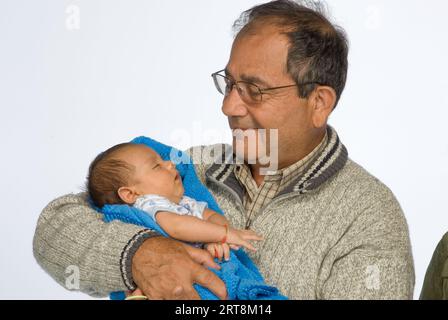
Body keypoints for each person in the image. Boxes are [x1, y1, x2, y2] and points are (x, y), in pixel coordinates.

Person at [33, 0, 415, 299]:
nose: (229, 107)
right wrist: (138, 253)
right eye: (230, 84)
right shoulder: (189, 166)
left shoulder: (370, 216)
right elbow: (56, 227)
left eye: (255, 90)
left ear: (318, 102)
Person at [87, 142, 263, 261]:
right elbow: (177, 226)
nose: (171, 163)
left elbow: (213, 216)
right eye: (157, 166)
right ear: (130, 194)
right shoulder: (147, 204)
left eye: (163, 160)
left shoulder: (184, 201)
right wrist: (222, 234)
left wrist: (217, 237)